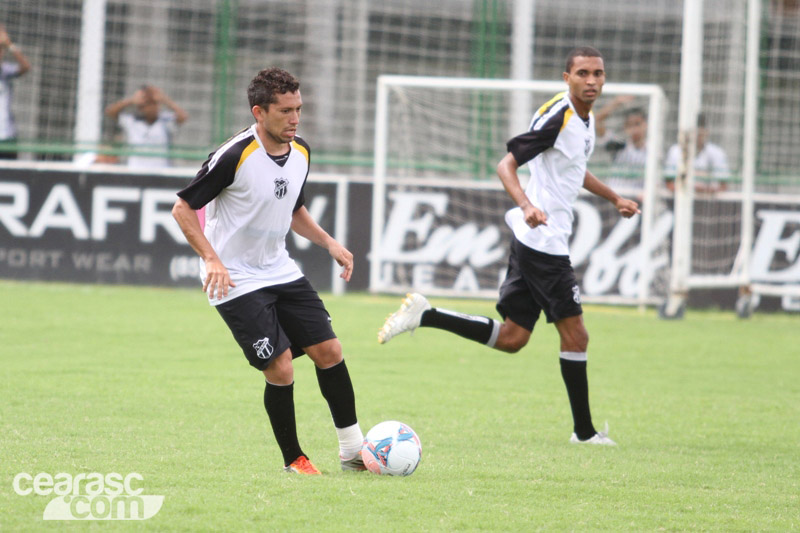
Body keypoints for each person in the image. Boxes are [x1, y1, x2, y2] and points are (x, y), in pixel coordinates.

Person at [378, 46, 640, 446]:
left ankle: (427, 315)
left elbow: (574, 169)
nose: (592, 81)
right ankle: (584, 433)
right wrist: (527, 204)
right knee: (577, 336)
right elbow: (506, 165)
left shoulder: (583, 121)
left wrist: (614, 198)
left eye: (598, 74)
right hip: (543, 242)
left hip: (532, 237)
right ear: (566, 77)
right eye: (583, 73)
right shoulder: (559, 117)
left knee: (514, 339)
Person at [172, 67, 365, 475]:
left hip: (279, 269)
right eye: (285, 111)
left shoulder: (302, 152)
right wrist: (212, 258)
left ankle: (353, 451)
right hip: (235, 280)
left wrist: (329, 242)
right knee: (280, 366)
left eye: (299, 109)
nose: (295, 118)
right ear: (259, 112)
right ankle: (294, 459)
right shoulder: (233, 155)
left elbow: (292, 209)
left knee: (329, 351)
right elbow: (182, 208)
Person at [105, 85, 188, 168]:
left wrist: (165, 100)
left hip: (161, 171)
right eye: (147, 104)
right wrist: (131, 100)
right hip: (136, 171)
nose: (151, 108)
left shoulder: (165, 120)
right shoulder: (132, 121)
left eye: (154, 104)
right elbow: (110, 112)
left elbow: (183, 117)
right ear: (140, 107)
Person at [664, 113, 730, 193]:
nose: (696, 137)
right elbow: (668, 184)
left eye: (699, 133)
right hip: (679, 199)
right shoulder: (675, 151)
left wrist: (703, 190)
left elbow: (724, 186)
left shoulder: (717, 153)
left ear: (706, 131)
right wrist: (687, 189)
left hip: (708, 200)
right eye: (693, 133)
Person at [595, 95, 648, 190]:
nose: (634, 129)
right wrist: (616, 103)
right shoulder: (619, 145)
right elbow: (597, 122)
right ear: (625, 127)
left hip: (638, 199)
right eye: (630, 125)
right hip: (616, 196)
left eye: (637, 124)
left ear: (645, 124)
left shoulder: (652, 151)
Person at [0, 24, 31, 160]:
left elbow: (25, 67)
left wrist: (10, 44)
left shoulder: (5, 71)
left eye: (2, 50)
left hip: (6, 137)